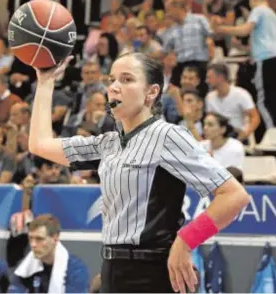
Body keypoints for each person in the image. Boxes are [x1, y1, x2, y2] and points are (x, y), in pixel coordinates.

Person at [28, 52, 250, 293]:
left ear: (151, 92)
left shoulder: (168, 136)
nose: (113, 87)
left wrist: (185, 242)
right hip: (113, 268)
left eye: (126, 79)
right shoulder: (107, 143)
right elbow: (39, 144)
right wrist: (45, 82)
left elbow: (234, 195)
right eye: (111, 79)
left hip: (154, 271)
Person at [212, 0, 276, 130]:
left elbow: (244, 30)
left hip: (264, 60)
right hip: (271, 58)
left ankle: (272, 133)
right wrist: (241, 48)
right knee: (272, 97)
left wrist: (220, 29)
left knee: (264, 101)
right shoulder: (271, 13)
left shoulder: (258, 10)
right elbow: (262, 43)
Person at [8, 214, 89, 293]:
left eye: (39, 239)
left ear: (55, 238)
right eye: (30, 238)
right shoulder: (26, 268)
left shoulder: (76, 270)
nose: (33, 244)